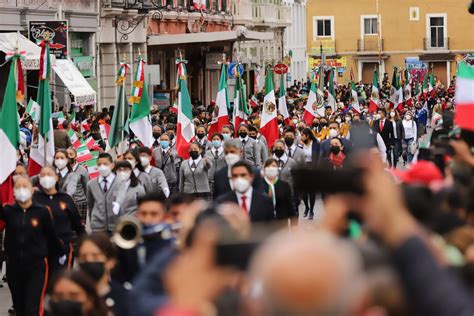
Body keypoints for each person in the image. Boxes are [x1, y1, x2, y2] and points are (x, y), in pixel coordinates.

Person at [0, 176, 65, 316]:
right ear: (13, 191)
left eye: (25, 186)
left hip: (36, 267)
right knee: (20, 307)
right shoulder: (8, 211)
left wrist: (61, 255)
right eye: (18, 187)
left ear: (32, 190)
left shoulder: (42, 211)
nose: (22, 190)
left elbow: (52, 237)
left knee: (32, 308)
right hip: (14, 267)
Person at [34, 166, 85, 275]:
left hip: (63, 248)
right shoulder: (34, 198)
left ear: (57, 177)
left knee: (61, 282)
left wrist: (84, 244)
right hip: (39, 249)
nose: (46, 178)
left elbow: (78, 225)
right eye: (43, 175)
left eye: (49, 175)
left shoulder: (65, 198)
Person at [115, 192, 175, 284]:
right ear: (137, 216)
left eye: (154, 214)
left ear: (165, 217)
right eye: (143, 214)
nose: (148, 219)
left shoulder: (172, 245)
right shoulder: (127, 245)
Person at [77, 233, 130, 316]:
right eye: (83, 257)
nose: (89, 260)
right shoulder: (72, 295)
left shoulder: (125, 298)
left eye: (95, 256)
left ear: (110, 261)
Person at [87, 153, 124, 233]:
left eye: (105, 164)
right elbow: (90, 205)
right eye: (99, 164)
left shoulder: (120, 181)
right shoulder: (91, 184)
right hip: (98, 227)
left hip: (116, 226)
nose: (102, 167)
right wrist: (93, 222)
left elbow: (122, 197)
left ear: (112, 165)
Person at [300, 128, 320, 219]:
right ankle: (306, 207)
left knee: (311, 191)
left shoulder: (316, 144)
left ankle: (311, 210)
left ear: (308, 135)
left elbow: (319, 157)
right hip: (303, 168)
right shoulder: (300, 145)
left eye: (303, 135)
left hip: (313, 168)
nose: (301, 137)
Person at [67, 148, 89, 223]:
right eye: (67, 155)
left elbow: (86, 187)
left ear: (75, 156)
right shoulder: (62, 170)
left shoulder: (82, 170)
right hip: (66, 203)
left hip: (79, 202)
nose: (69, 156)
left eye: (71, 154)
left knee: (80, 229)